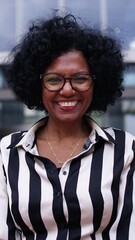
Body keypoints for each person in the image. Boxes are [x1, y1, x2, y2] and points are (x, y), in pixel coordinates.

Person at [0, 12, 135, 240]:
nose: (67, 90)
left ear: (96, 82)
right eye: (54, 79)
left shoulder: (124, 149)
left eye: (80, 78)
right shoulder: (8, 152)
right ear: (37, 84)